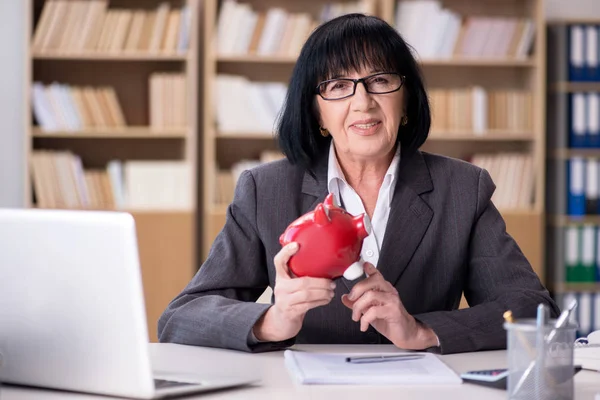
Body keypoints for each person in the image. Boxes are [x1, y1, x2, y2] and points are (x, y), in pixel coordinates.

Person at [158, 13, 559, 354]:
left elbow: (531, 309)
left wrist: (420, 331)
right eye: (338, 86)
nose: (363, 102)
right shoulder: (266, 189)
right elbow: (181, 317)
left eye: (380, 81)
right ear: (317, 114)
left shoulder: (463, 188)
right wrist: (271, 321)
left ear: (405, 103)